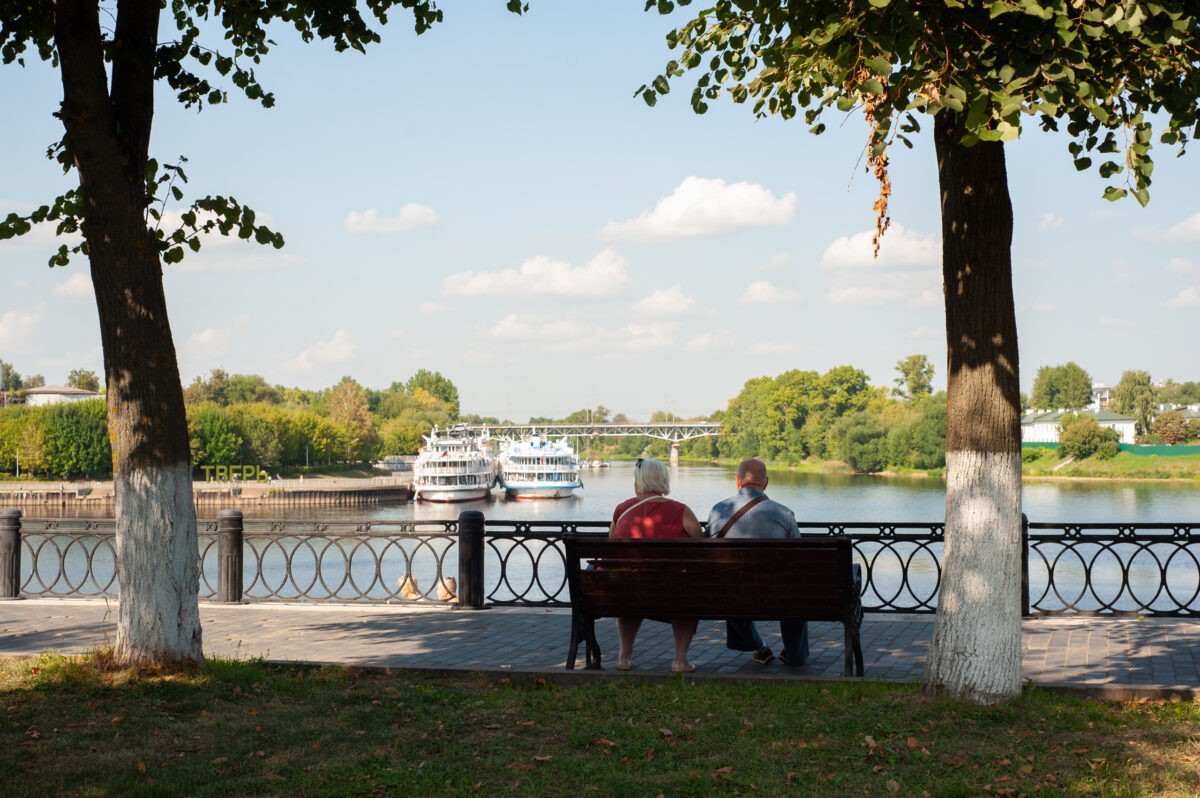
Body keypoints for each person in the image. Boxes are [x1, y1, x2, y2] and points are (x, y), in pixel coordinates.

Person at [706, 457, 809, 666]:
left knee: (729, 583)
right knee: (795, 589)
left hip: (730, 594)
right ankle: (795, 653)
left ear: (737, 481)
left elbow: (708, 553)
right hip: (777, 593)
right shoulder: (784, 513)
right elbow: (800, 557)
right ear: (766, 482)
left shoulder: (717, 510)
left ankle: (759, 647)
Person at [609, 457, 704, 673]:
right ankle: (680, 660)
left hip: (628, 590)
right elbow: (700, 545)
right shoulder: (682, 511)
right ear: (663, 481)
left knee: (628, 588)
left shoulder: (621, 510)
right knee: (688, 593)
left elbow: (610, 547)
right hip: (671, 591)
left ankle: (624, 657)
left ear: (638, 482)